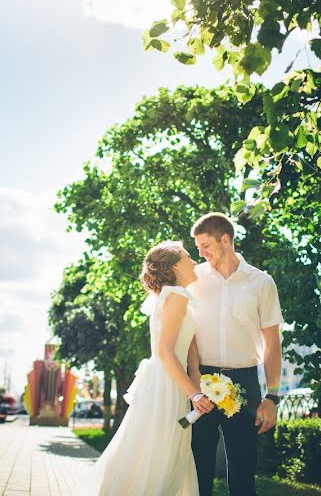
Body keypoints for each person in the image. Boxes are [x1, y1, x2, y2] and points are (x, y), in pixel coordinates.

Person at [81, 241, 214, 495]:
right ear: (175, 266)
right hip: (167, 385)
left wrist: (198, 385)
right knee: (161, 453)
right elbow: (165, 351)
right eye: (188, 257)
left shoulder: (175, 297)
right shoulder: (176, 296)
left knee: (159, 451)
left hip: (170, 382)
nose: (194, 261)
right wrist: (194, 394)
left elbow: (188, 354)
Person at [189, 212, 284, 496]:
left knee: (243, 477)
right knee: (198, 471)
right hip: (200, 380)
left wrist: (273, 396)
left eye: (205, 245)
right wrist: (192, 383)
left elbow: (272, 343)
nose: (201, 253)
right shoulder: (193, 280)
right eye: (197, 248)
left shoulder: (261, 282)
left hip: (245, 381)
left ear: (226, 239)